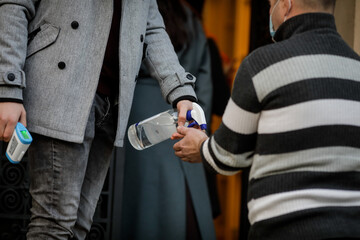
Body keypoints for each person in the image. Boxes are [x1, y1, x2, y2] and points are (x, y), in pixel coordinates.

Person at [0, 0, 198, 239]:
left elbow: (153, 30)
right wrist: (8, 87)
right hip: (60, 91)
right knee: (54, 225)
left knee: (79, 227)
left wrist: (181, 92)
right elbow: (15, 5)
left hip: (110, 105)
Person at [173, 0, 360, 239]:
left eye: (271, 2)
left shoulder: (261, 65)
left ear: (286, 4)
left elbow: (228, 156)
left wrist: (200, 146)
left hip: (283, 230)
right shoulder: (357, 69)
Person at [121, 0, 215, 239]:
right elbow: (204, 80)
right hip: (183, 116)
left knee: (137, 209)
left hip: (135, 118)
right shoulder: (191, 19)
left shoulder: (134, 10)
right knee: (181, 206)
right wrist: (198, 125)